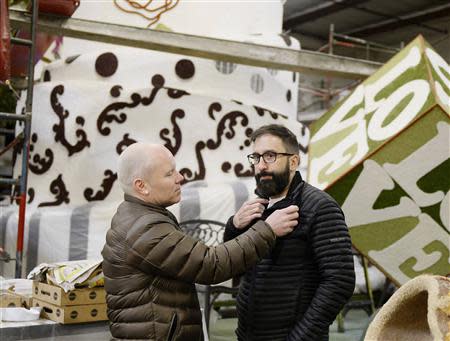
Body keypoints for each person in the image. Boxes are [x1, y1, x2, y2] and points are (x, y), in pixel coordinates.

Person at [101, 142, 299, 341]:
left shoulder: (139, 216)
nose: (180, 178)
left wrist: (237, 224)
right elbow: (209, 264)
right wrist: (267, 230)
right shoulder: (145, 229)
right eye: (169, 174)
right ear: (141, 186)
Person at [224, 124, 356, 341]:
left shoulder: (320, 207)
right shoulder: (257, 207)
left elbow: (339, 280)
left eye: (270, 156)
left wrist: (300, 338)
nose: (261, 166)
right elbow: (234, 264)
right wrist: (234, 226)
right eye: (256, 157)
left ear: (293, 161)